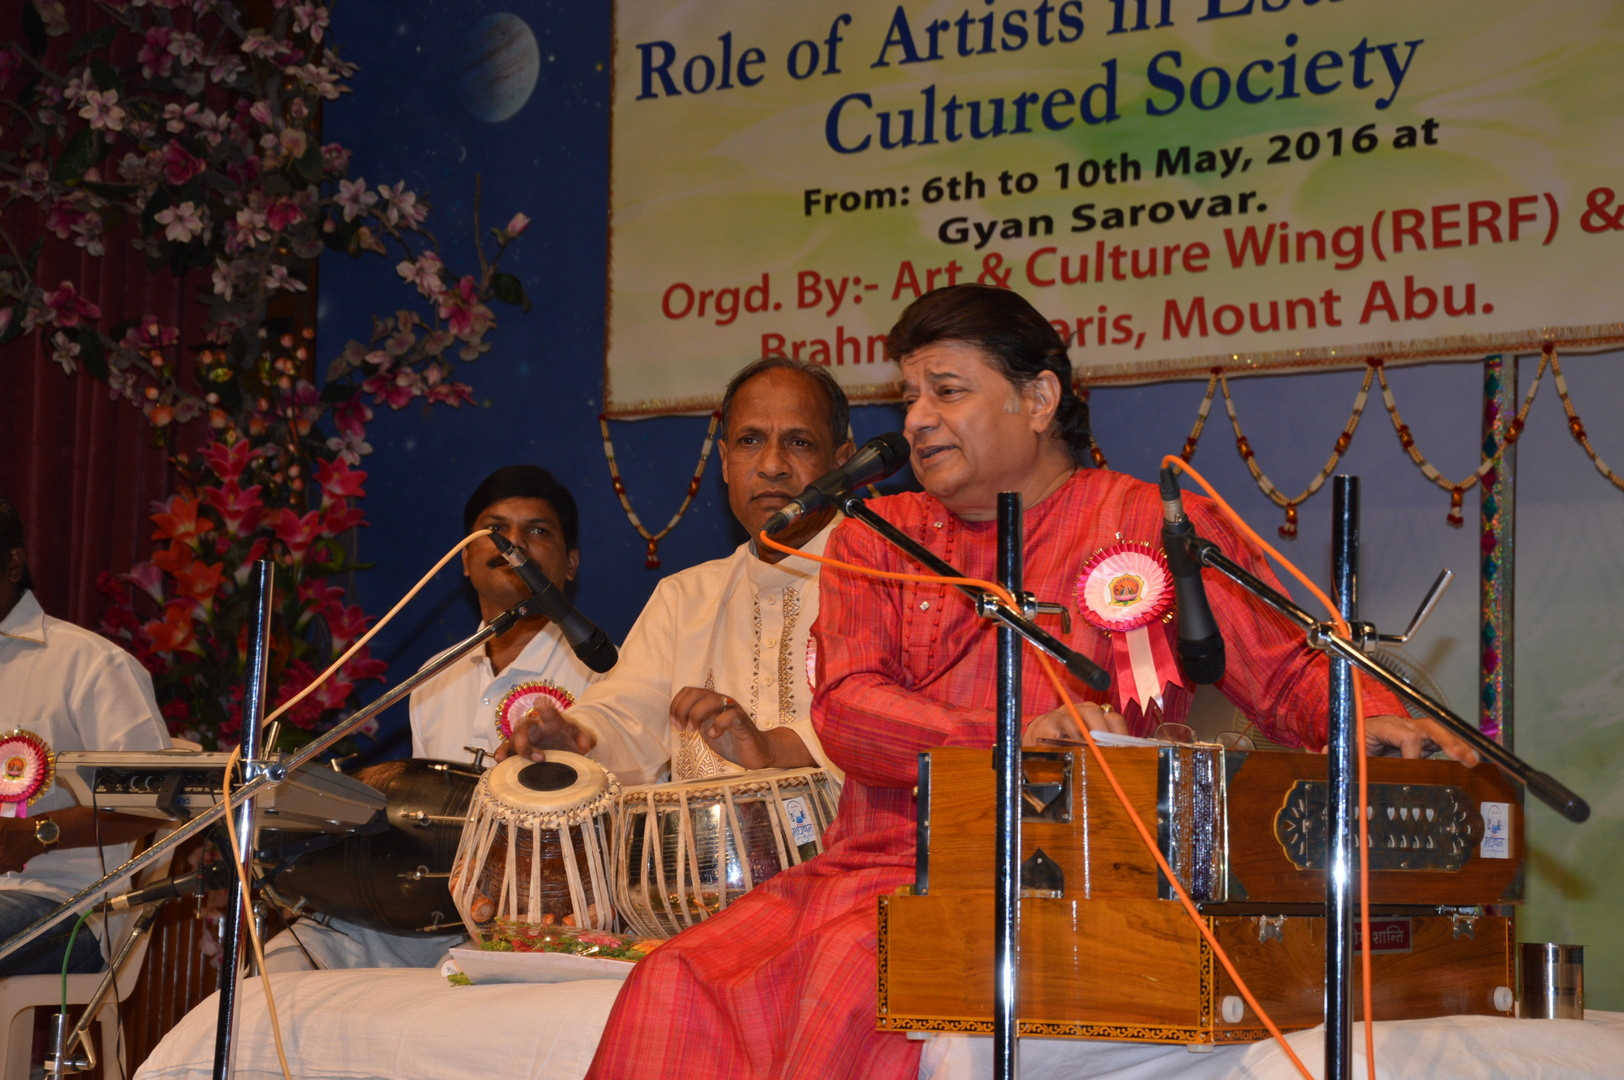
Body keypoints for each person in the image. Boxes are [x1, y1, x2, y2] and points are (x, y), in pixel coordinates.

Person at [583, 285, 1478, 1079]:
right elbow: (849, 710)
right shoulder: (876, 533)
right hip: (882, 862)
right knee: (677, 977)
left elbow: (1285, 665)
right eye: (908, 394)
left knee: (853, 978)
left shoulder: (1146, 520)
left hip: (1085, 868)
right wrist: (1013, 737)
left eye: (947, 390)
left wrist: (1372, 718)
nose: (920, 418)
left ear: (1039, 397)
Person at [263, 465, 603, 970]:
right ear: (465, 560)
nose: (513, 544)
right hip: (426, 911)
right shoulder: (433, 674)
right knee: (285, 961)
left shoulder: (603, 670)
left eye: (537, 530)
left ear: (571, 563)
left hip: (541, 918)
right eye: (495, 530)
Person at [506, 357, 855, 786]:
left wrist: (773, 747)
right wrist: (576, 737)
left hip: (858, 851)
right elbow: (626, 717)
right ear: (724, 461)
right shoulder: (686, 597)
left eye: (799, 442)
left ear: (843, 462)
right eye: (750, 440)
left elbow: (901, 730)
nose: (772, 464)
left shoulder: (888, 580)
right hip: (704, 854)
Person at [0, 496, 171, 975]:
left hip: (60, 904)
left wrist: (38, 833)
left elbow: (153, 802)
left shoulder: (89, 665)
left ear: (13, 562)